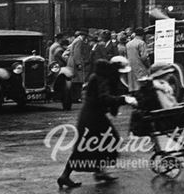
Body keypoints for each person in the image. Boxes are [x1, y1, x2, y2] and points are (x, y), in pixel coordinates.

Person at [57, 56, 137, 188]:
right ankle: (67, 176)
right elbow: (104, 98)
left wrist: (119, 101)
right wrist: (124, 100)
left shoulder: (102, 76)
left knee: (101, 143)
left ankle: (96, 171)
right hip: (92, 117)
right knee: (93, 145)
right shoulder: (102, 78)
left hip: (93, 116)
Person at [66, 30, 90, 100]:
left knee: (75, 80)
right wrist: (78, 63)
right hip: (74, 62)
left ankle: (74, 97)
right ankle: (76, 97)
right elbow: (77, 53)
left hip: (72, 61)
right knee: (77, 80)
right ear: (84, 36)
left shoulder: (76, 40)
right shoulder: (79, 41)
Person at [125, 28, 149, 92]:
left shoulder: (128, 44)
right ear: (143, 35)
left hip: (131, 68)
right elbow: (144, 57)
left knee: (133, 87)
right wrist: (148, 66)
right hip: (140, 68)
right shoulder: (141, 43)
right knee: (142, 87)